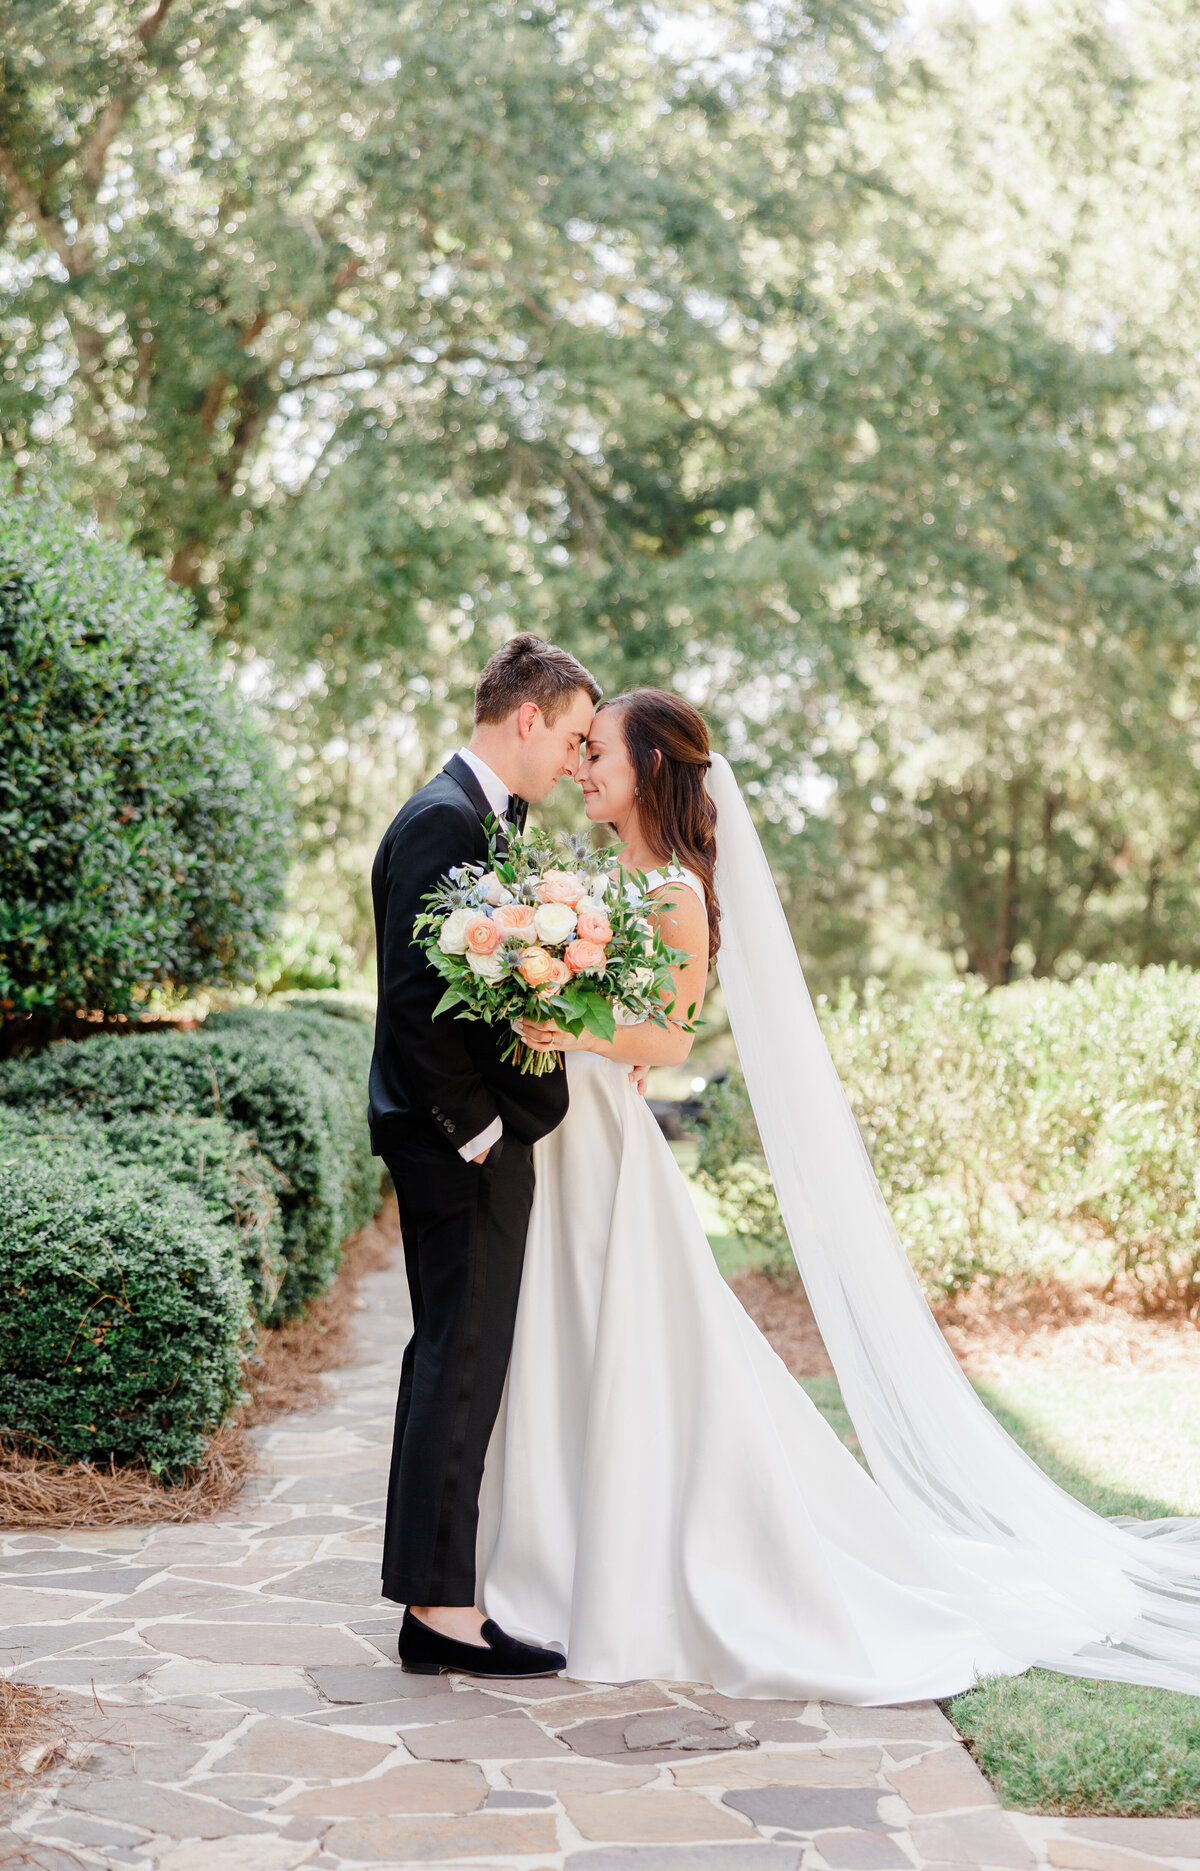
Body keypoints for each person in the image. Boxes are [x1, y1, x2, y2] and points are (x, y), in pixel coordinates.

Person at [481, 686, 1200, 1702]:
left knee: (636, 1344)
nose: (583, 765)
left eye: (598, 751)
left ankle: (650, 1566)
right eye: (581, 748)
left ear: (648, 768)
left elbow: (670, 1040)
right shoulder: (605, 881)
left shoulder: (677, 894)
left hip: (607, 1141)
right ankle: (553, 1554)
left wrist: (575, 1029)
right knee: (572, 1341)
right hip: (572, 1134)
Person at [369, 634, 600, 1678]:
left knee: (463, 1359)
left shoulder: (477, 822)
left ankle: (445, 1596)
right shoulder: (443, 823)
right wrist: (479, 1129)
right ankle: (438, 1613)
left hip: (467, 1140)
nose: (576, 759)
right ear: (526, 716)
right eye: (573, 735)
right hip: (454, 1145)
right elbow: (418, 1006)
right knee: (458, 1363)